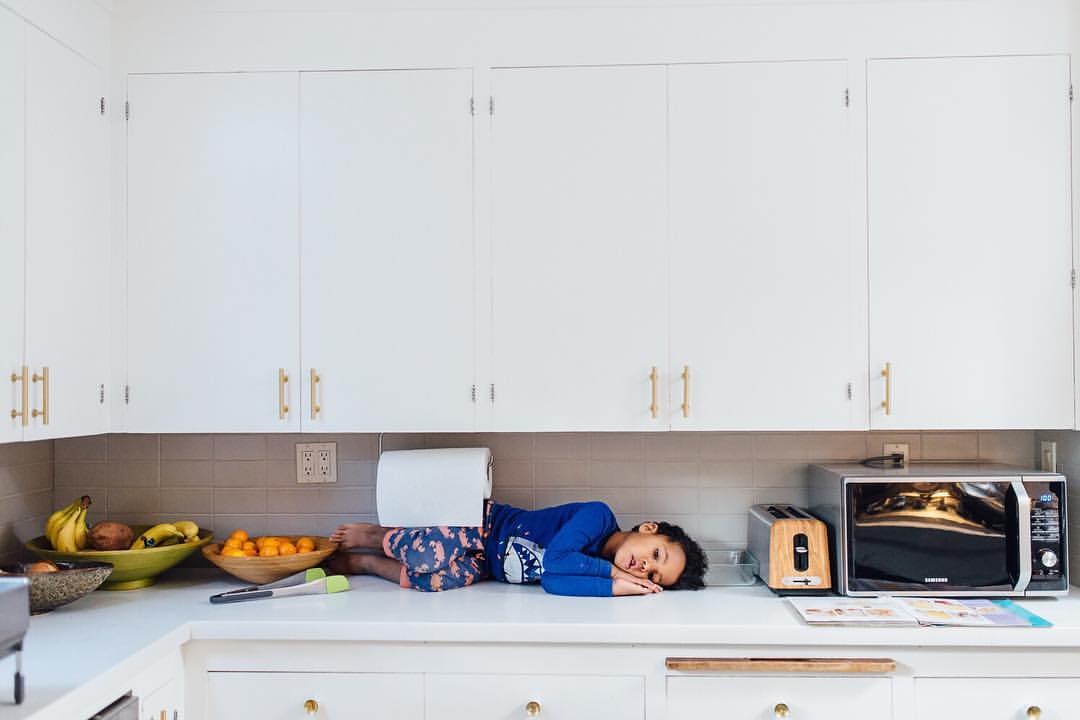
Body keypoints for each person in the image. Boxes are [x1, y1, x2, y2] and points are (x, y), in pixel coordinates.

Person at [327, 500, 708, 596]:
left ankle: (366, 564)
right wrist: (611, 574)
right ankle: (377, 536)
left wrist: (619, 587)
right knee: (428, 555)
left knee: (431, 582)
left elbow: (552, 581)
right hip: (485, 527)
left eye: (654, 575)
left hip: (488, 567)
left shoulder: (592, 566)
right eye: (656, 554)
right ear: (648, 529)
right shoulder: (599, 516)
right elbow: (556, 559)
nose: (644, 567)